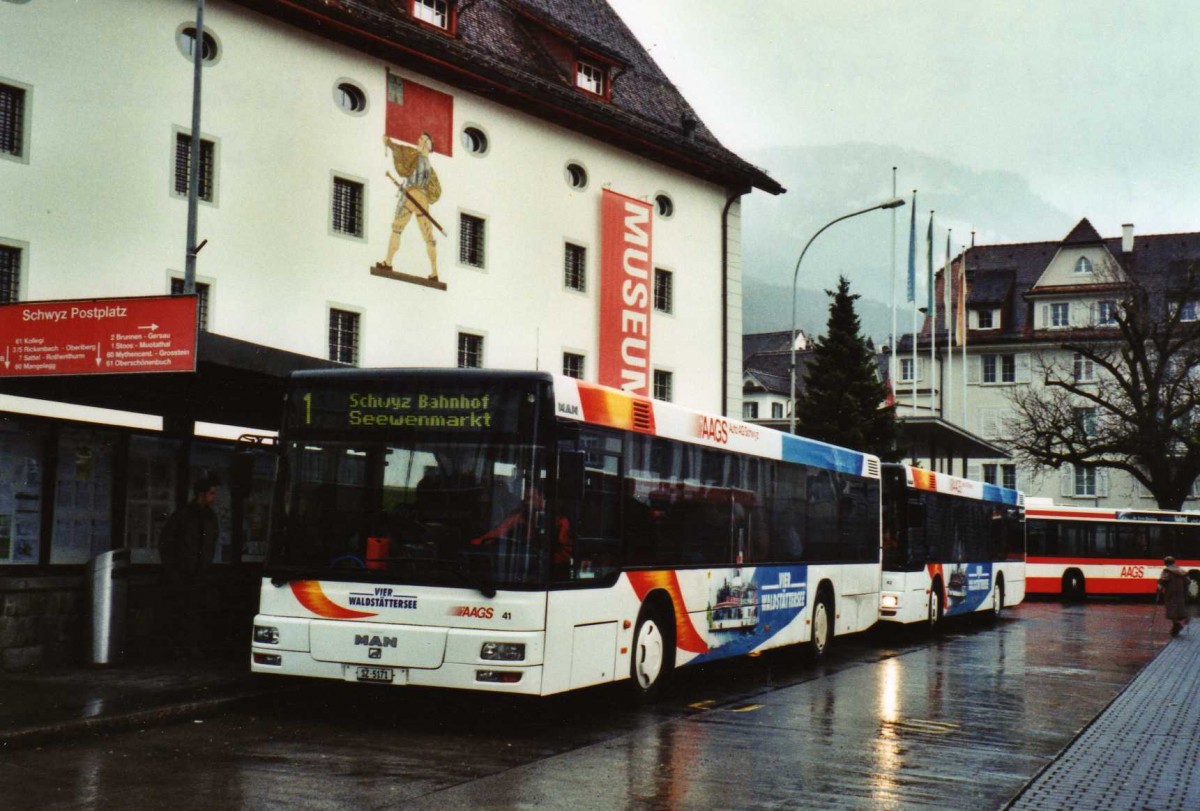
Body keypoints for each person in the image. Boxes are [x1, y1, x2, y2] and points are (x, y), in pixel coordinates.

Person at [159, 473, 221, 656]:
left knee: (195, 611)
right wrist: (173, 570)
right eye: (211, 493)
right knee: (182, 611)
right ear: (201, 494)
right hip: (183, 573)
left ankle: (191, 647)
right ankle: (182, 648)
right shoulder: (183, 516)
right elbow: (167, 543)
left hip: (199, 573)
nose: (213, 497)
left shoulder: (210, 517)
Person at [381, 132, 441, 279]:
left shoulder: (414, 155)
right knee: (428, 237)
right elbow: (435, 190)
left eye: (421, 139)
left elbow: (400, 149)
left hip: (410, 195)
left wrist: (388, 142)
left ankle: (388, 262)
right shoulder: (430, 168)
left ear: (427, 143)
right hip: (423, 199)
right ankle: (434, 272)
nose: (417, 140)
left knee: (397, 228)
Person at [1157, 555, 1190, 637]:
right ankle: (1176, 626)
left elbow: (1162, 581)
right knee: (1178, 608)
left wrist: (1159, 589)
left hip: (1170, 593)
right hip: (1181, 593)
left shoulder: (1167, 571)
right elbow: (1188, 581)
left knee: (1171, 609)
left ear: (1166, 563)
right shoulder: (1182, 571)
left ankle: (1176, 625)